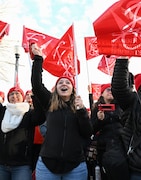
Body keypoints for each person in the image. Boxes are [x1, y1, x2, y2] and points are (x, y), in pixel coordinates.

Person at [30, 43, 93, 180]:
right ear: (57, 88)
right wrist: (38, 59)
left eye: (68, 82)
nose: (64, 84)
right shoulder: (50, 102)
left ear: (72, 89)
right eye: (60, 82)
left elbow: (87, 133)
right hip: (47, 164)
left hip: (75, 166)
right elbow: (37, 85)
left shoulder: (78, 107)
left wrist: (82, 111)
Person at [0, 86, 45, 180]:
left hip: (21, 166)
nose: (14, 96)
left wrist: (35, 97)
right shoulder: (3, 112)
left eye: (17, 94)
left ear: (23, 97)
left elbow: (41, 115)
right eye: (11, 94)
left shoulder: (29, 114)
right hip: (1, 165)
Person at [90, 83, 125, 180]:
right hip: (104, 148)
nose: (111, 92)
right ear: (102, 94)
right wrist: (99, 120)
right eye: (108, 89)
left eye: (112, 90)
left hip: (121, 146)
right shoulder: (96, 108)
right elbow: (92, 129)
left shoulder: (121, 107)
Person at [24, 90, 44, 177]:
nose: (29, 96)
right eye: (27, 95)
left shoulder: (39, 109)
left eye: (30, 95)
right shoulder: (22, 110)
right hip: (28, 143)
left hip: (40, 143)